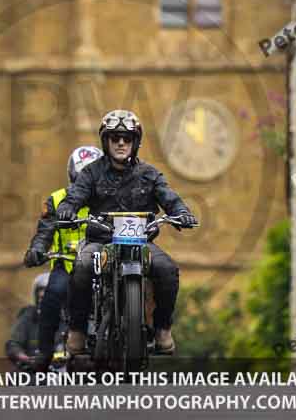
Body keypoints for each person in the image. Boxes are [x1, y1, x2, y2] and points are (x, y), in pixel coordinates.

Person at [56, 109, 198, 356]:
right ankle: (77, 330)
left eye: (127, 138)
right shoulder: (91, 173)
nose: (121, 143)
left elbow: (169, 197)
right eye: (115, 138)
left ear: (136, 142)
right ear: (106, 140)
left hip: (141, 242)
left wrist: (181, 212)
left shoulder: (150, 174)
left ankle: (163, 329)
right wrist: (67, 210)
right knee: (82, 266)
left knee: (168, 270)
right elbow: (74, 196)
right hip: (101, 242)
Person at [23, 146, 103, 369]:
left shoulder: (112, 199)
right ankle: (44, 352)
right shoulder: (57, 200)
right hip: (67, 265)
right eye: (82, 179)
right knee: (52, 295)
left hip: (103, 265)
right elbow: (44, 231)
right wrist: (37, 249)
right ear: (73, 177)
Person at [5, 272, 49, 366]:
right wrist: (23, 357)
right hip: (33, 370)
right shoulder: (28, 316)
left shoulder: (70, 319)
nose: (42, 295)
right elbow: (14, 344)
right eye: (40, 292)